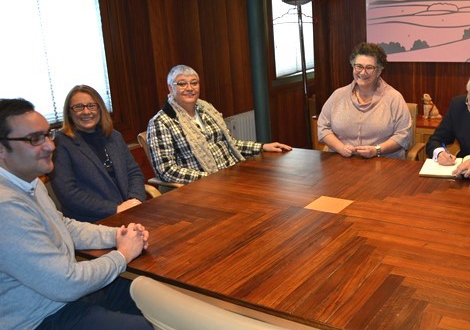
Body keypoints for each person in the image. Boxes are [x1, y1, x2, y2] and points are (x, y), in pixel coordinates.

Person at [0, 98, 152, 330]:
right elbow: (66, 283)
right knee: (144, 326)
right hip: (39, 318)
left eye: (47, 134)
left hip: (64, 299)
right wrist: (122, 256)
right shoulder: (5, 207)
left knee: (151, 295)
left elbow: (64, 227)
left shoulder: (28, 180)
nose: (51, 146)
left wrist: (118, 234)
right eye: (34, 139)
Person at [147, 65, 292, 184]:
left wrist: (262, 147)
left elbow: (230, 144)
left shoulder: (206, 109)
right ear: (170, 88)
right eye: (182, 84)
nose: (189, 88)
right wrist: (209, 177)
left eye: (194, 83)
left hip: (232, 175)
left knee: (276, 183)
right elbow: (166, 170)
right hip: (202, 189)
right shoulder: (161, 122)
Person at [50, 85, 146, 222]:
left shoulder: (114, 136)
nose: (86, 111)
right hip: (92, 222)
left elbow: (134, 172)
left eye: (91, 105)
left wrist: (135, 199)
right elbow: (69, 194)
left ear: (100, 108)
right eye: (78, 107)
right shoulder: (61, 143)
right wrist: (115, 209)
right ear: (69, 112)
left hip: (130, 210)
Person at [317, 42, 412, 159]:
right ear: (353, 66)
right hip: (342, 162)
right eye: (359, 66)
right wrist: (340, 148)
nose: (363, 72)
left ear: (379, 71)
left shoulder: (394, 98)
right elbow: (323, 128)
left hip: (383, 163)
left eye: (369, 68)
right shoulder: (338, 95)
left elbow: (404, 135)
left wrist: (376, 150)